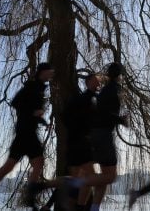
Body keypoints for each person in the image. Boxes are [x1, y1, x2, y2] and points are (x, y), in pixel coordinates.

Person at [0, 62, 55, 211]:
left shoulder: (38, 88)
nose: (51, 74)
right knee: (38, 162)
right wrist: (33, 113)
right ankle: (30, 196)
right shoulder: (32, 87)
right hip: (26, 132)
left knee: (9, 167)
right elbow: (16, 103)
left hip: (25, 131)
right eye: (50, 71)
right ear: (42, 72)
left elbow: (30, 110)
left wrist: (42, 121)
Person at [41, 72, 101, 211]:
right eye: (95, 80)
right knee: (82, 180)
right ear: (88, 82)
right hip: (80, 146)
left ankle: (45, 195)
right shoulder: (83, 100)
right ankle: (42, 189)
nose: (98, 83)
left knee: (74, 182)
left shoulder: (88, 99)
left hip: (78, 147)